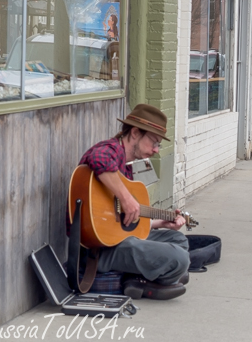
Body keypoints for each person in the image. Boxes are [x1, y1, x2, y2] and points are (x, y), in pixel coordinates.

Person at [76, 104, 190, 300]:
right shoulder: (110, 149)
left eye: (158, 145)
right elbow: (97, 157)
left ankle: (139, 278)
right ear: (135, 133)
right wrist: (127, 198)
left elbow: (125, 221)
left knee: (179, 241)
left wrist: (161, 224)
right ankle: (144, 282)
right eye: (154, 142)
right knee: (179, 258)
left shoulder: (126, 168)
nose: (155, 150)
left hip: (118, 240)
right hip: (100, 249)